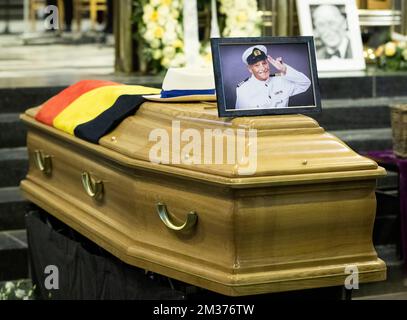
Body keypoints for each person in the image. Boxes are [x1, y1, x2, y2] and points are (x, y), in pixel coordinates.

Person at [235, 45, 311, 110]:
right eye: (257, 65)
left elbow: (305, 83)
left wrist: (284, 70)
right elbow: (240, 117)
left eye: (264, 63)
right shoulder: (243, 89)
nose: (263, 68)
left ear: (268, 63)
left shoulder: (281, 81)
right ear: (250, 69)